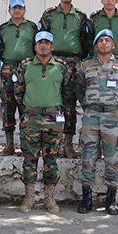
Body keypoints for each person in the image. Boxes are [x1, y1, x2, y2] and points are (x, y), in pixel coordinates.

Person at [14, 31, 74, 214]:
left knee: (51, 160)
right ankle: (29, 197)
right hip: (31, 118)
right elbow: (18, 92)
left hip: (53, 120)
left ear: (52, 47)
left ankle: (49, 197)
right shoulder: (24, 66)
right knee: (29, 159)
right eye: (40, 42)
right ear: (35, 46)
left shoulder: (62, 67)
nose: (43, 45)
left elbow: (68, 93)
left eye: (47, 43)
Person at [75, 29, 118, 215]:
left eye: (107, 40)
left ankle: (111, 200)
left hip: (112, 116)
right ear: (96, 45)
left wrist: (115, 108)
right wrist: (89, 107)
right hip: (91, 115)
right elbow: (80, 89)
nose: (104, 43)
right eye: (101, 40)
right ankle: (86, 199)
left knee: (112, 158)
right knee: (88, 157)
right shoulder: (85, 65)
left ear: (113, 45)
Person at [39, 0, 93, 158]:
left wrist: (80, 62)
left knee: (69, 103)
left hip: (73, 62)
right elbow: (42, 39)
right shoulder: (49, 14)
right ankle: (53, 142)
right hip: (53, 62)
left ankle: (68, 144)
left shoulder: (80, 16)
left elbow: (86, 40)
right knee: (53, 101)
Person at [0, 0, 38, 155]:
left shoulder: (33, 27)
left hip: (27, 69)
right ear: (9, 10)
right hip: (8, 69)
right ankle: (9, 143)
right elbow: (0, 50)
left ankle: (25, 143)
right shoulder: (3, 28)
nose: (17, 10)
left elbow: (37, 48)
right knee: (8, 105)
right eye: (14, 8)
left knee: (26, 105)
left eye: (20, 8)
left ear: (24, 10)